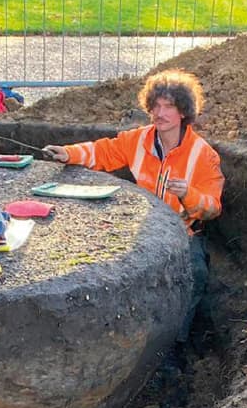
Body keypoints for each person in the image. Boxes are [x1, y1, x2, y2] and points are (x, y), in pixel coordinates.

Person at [43, 70, 224, 342]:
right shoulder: (138, 140)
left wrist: (189, 194)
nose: (160, 113)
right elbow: (103, 152)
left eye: (169, 107)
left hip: (183, 231)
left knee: (194, 274)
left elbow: (212, 207)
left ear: (183, 113)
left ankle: (176, 343)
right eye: (156, 106)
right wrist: (69, 153)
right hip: (144, 228)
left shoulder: (203, 155)